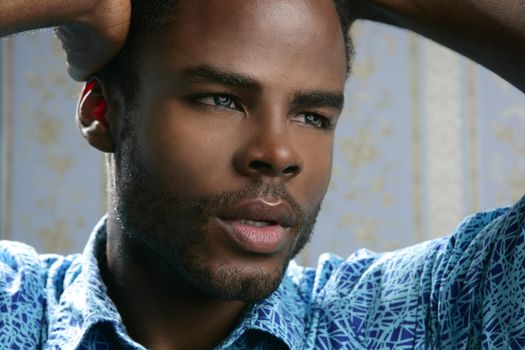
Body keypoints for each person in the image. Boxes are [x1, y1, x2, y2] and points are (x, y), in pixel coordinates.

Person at [0, 0, 524, 349]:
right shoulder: (13, 310)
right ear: (102, 114)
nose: (278, 153)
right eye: (222, 99)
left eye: (312, 116)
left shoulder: (416, 318)